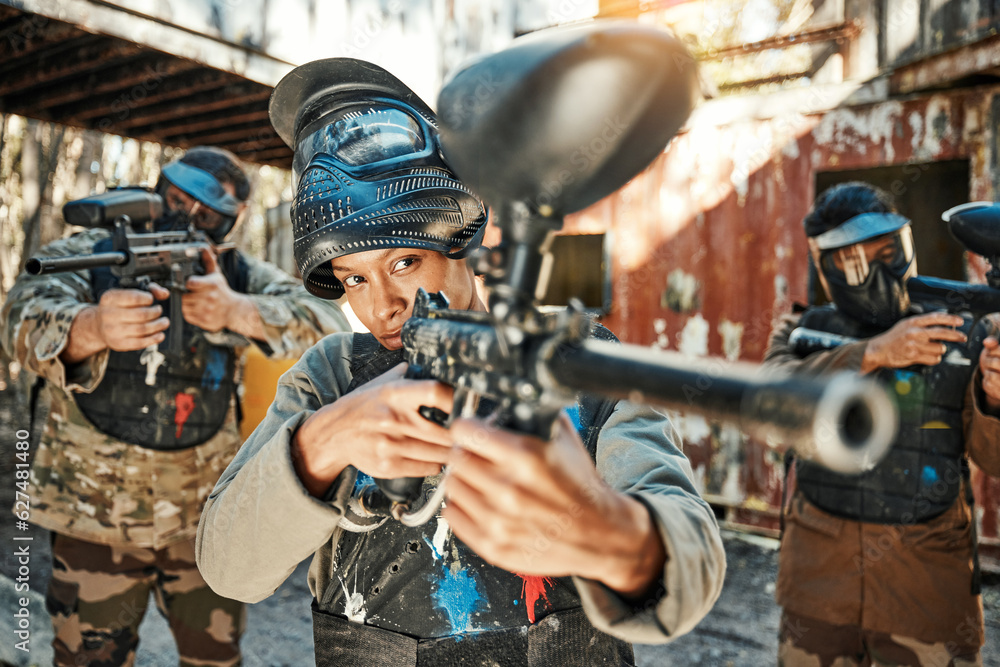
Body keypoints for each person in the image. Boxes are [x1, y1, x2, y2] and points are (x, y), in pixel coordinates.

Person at [196, 58, 725, 665]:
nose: (384, 308)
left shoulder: (578, 360)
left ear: (461, 240)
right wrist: (320, 444)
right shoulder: (331, 378)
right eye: (352, 279)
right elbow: (229, 571)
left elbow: (693, 564)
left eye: (404, 264)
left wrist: (607, 533)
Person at [1, 146, 351, 667]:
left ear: (228, 225)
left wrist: (239, 310)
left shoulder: (235, 273)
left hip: (203, 517)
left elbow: (332, 326)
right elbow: (19, 318)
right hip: (95, 516)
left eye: (206, 214)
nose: (184, 218)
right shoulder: (95, 252)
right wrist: (91, 327)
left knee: (213, 658)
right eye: (175, 200)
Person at [763, 181, 1000, 666]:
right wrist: (871, 354)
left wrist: (995, 397)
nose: (878, 273)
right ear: (827, 268)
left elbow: (993, 458)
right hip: (819, 596)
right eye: (855, 260)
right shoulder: (804, 330)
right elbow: (770, 408)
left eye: (890, 252)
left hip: (927, 598)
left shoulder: (960, 330)